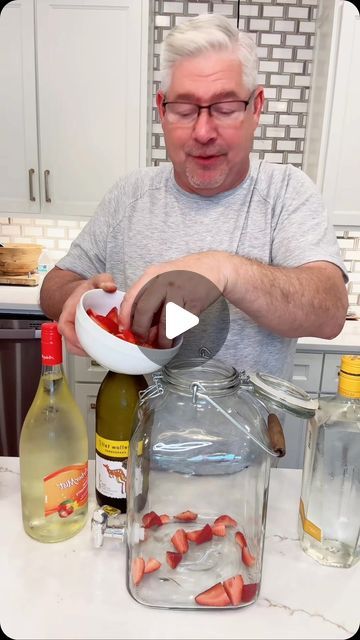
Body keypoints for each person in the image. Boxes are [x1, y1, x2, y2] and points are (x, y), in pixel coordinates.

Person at [40, 13, 348, 381]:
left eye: (225, 107)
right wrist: (76, 296)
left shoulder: (286, 192)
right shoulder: (129, 196)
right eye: (184, 110)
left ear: (256, 108)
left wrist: (223, 268)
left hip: (251, 438)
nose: (203, 131)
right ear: (162, 110)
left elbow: (330, 311)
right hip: (136, 435)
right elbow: (54, 285)